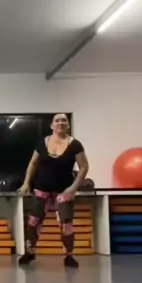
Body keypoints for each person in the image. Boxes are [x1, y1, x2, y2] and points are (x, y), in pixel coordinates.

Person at [18, 113, 89, 268]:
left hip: (63, 191)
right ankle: (30, 252)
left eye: (64, 120)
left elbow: (84, 167)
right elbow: (33, 163)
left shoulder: (75, 145)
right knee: (33, 221)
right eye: (57, 120)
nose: (60, 122)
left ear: (68, 125)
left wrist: (73, 188)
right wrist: (26, 183)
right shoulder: (42, 142)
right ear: (52, 125)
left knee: (66, 223)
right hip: (41, 189)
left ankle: (69, 256)